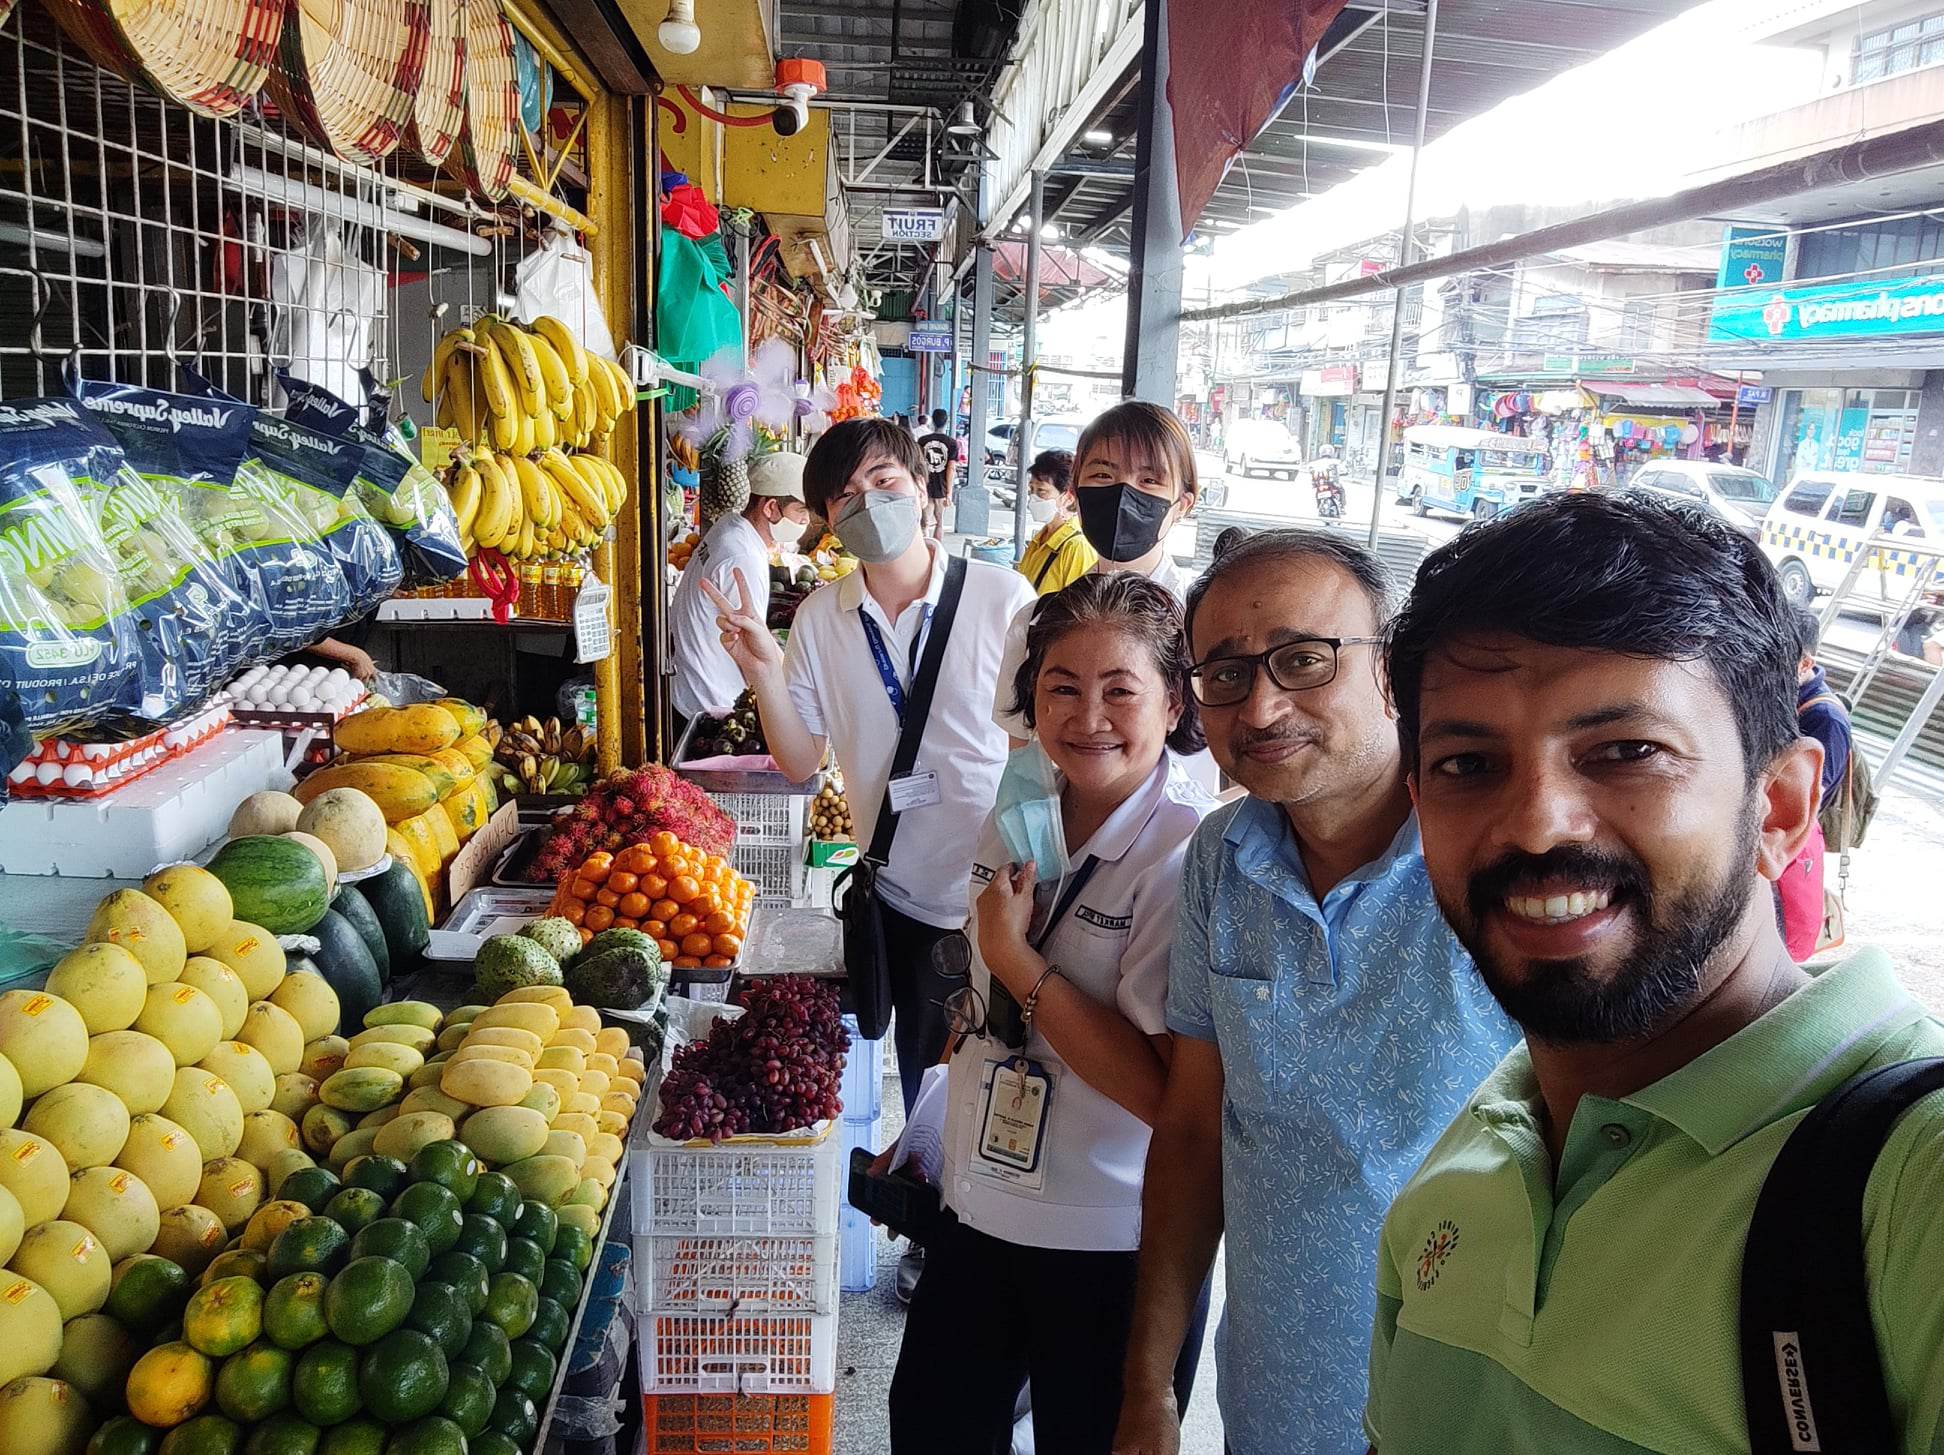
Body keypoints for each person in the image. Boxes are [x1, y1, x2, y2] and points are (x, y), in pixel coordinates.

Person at [1368, 490, 1944, 1455]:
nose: (1538, 822)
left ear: (1781, 807)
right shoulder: (1469, 1162)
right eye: (1471, 764)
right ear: (1420, 803)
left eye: (1627, 751)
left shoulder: (1911, 1190)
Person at [1112, 531, 1518, 1455]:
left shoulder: (1494, 857)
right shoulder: (1221, 859)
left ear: (1393, 671)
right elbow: (1190, 1133)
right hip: (1276, 1398)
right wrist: (1148, 1385)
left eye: (1303, 659)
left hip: (1473, 1411)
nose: (1260, 703)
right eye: (1225, 672)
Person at [887, 573, 1219, 1455]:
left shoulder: (1186, 853)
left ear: (1175, 699)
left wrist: (1019, 964)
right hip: (976, 1212)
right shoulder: (1024, 795)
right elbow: (981, 995)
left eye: (1121, 690)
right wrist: (930, 1129)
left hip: (1111, 1245)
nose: (1088, 716)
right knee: (929, 1428)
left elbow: (1163, 1091)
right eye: (1061, 688)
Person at [700, 417, 1034, 1116]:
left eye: (884, 481)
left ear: (921, 486)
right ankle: (928, 1220)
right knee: (927, 1092)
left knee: (1007, 1093)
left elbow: (1036, 750)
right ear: (827, 519)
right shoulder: (823, 616)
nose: (868, 502)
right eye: (844, 496)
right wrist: (761, 667)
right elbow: (799, 758)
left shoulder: (1003, 599)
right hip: (901, 901)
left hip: (999, 905)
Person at [995, 402, 1200, 740]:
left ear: (1182, 505)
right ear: (1075, 492)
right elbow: (1022, 752)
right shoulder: (1035, 622)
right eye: (1103, 475)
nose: (1122, 494)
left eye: (1149, 480)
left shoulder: (1203, 627)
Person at [668, 453, 812, 732]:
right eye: (801, 512)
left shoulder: (730, 526)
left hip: (692, 688)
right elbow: (751, 650)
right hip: (713, 704)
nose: (805, 522)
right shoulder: (741, 556)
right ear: (771, 508)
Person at [1016, 448, 1096, 595]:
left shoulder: (1077, 547)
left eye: (1041, 491)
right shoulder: (1041, 537)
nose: (1033, 498)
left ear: (1068, 497)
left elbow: (1078, 609)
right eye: (1031, 490)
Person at [918, 408, 959, 540]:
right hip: (942, 487)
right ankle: (937, 551)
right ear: (947, 421)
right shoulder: (952, 443)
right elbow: (951, 468)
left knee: (924, 523)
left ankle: (924, 551)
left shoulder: (922, 440)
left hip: (926, 484)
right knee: (939, 523)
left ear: (932, 421)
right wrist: (949, 493)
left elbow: (918, 464)